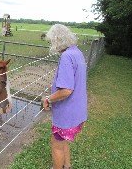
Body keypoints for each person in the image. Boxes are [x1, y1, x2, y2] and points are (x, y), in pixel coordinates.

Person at [43, 24, 88, 169]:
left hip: (67, 114)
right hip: (78, 111)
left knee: (57, 145)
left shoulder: (66, 56)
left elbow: (66, 90)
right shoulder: (77, 52)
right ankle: (67, 166)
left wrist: (48, 99)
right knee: (64, 141)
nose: (51, 45)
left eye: (51, 41)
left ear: (57, 40)